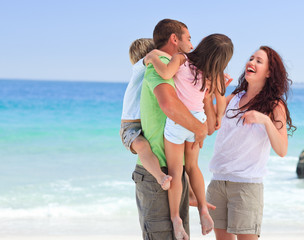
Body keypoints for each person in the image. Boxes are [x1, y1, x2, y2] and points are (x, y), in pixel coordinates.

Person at [145, 33, 233, 239]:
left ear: (203, 44)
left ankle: (176, 218)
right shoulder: (212, 74)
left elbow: (166, 73)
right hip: (198, 121)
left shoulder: (182, 58)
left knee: (176, 171)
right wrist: (219, 116)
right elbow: (220, 101)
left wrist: (152, 58)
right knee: (193, 167)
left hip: (179, 121)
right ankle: (203, 208)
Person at [132, 19, 213, 240]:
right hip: (158, 173)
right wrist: (200, 127)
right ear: (174, 39)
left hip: (173, 173)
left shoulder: (181, 66)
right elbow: (169, 105)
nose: (192, 44)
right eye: (188, 38)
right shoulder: (160, 63)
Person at [206, 46, 296, 240]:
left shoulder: (274, 105)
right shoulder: (233, 98)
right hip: (218, 182)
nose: (251, 62)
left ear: (269, 72)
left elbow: (281, 150)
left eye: (258, 61)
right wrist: (217, 90)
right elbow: (208, 123)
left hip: (246, 187)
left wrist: (264, 120)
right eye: (251, 58)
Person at [120, 38, 172, 190]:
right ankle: (159, 176)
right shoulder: (139, 68)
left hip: (146, 123)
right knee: (142, 146)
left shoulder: (153, 71)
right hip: (130, 126)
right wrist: (171, 58)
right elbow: (151, 56)